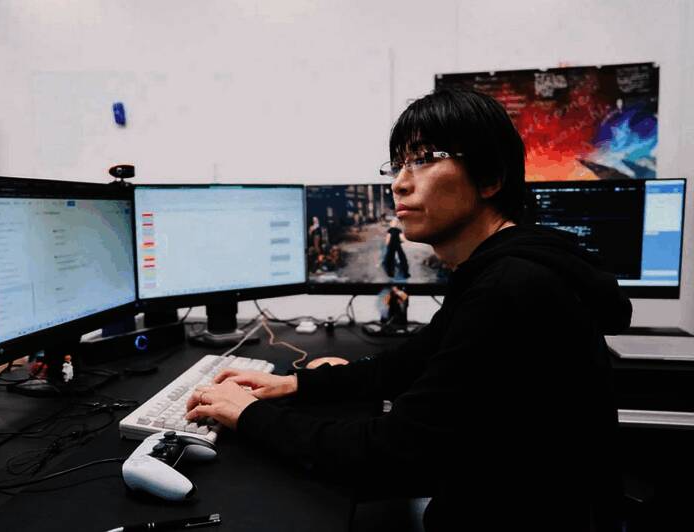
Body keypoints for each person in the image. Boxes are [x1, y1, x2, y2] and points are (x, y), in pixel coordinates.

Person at [185, 88, 631, 531]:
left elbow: (392, 453)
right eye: (398, 165)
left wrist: (249, 415)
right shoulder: (498, 269)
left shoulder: (509, 289)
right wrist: (294, 384)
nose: (399, 182)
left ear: (490, 177)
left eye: (423, 159)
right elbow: (409, 363)